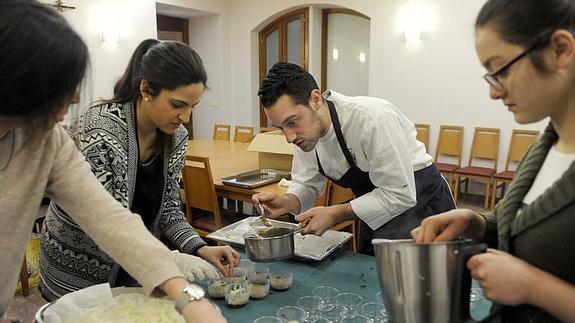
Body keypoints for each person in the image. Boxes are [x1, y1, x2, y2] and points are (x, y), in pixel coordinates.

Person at [0, 1, 226, 322]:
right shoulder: (100, 125)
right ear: (17, 82)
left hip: (127, 271)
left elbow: (111, 220)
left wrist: (190, 297)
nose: (76, 97)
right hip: (76, 274)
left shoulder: (48, 140)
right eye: (63, 85)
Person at [39, 39, 241, 301]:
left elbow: (168, 209)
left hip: (134, 266)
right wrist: (171, 263)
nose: (186, 117)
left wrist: (199, 247)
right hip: (76, 272)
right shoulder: (100, 127)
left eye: (193, 106)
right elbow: (106, 223)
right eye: (177, 104)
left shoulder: (175, 137)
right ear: (146, 89)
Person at [411, 0, 575, 322]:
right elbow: (524, 227)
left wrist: (535, 287)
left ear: (560, 49)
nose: (494, 93)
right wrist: (477, 223)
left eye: (500, 69)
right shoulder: (545, 146)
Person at [252, 62, 455, 254]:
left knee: (427, 281)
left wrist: (335, 213)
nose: (289, 137)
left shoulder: (372, 118)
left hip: (421, 204)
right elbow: (307, 183)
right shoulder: (304, 135)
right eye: (281, 128)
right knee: (375, 274)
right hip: (372, 207)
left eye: (292, 122)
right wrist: (287, 201)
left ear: (315, 99)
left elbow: (400, 194)